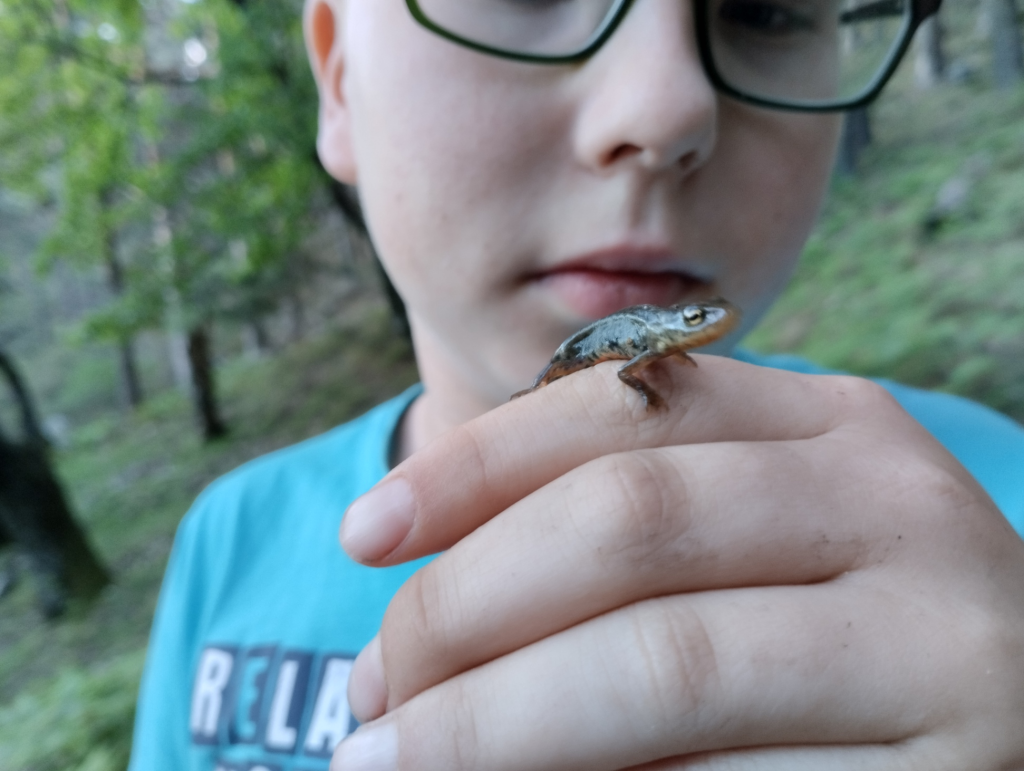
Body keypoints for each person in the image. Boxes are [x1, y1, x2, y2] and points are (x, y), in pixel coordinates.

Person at [129, 0, 1024, 768]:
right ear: (337, 82)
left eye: (764, 8)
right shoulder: (224, 540)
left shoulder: (989, 499)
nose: (665, 108)